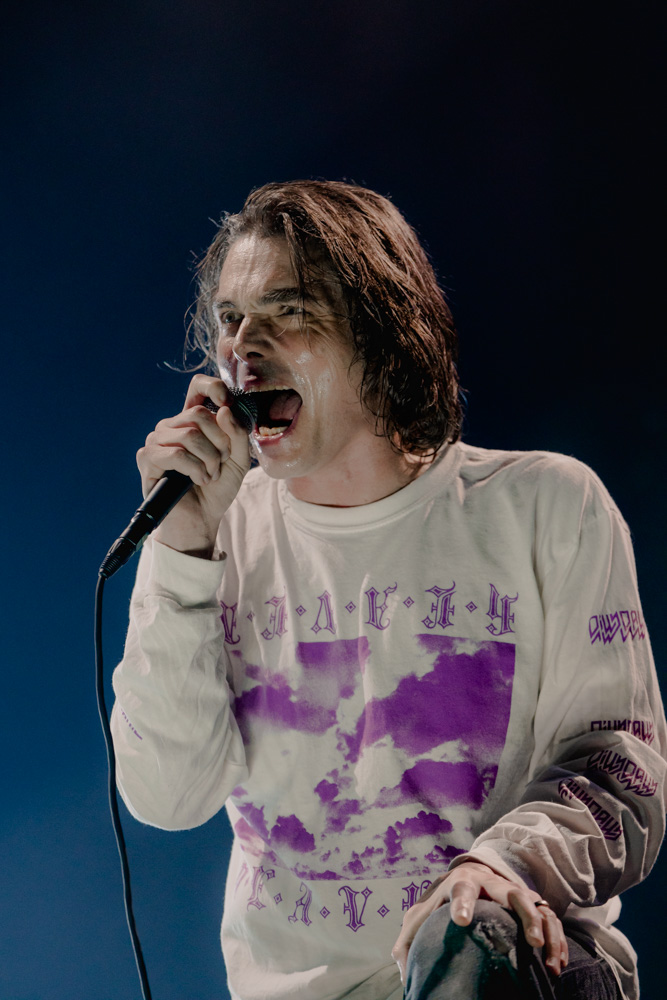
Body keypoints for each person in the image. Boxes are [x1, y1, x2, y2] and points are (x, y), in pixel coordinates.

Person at [111, 180, 666, 1000]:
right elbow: (166, 797)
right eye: (230, 318)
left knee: (465, 937)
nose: (243, 347)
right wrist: (183, 549)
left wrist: (498, 865)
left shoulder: (546, 506)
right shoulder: (217, 532)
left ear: (381, 331)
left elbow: (621, 767)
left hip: (517, 966)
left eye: (289, 311)